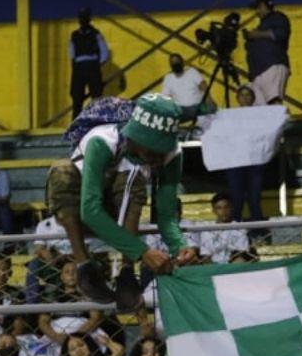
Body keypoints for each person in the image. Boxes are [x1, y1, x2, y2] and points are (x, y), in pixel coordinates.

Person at [52, 93, 198, 308]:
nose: (158, 155)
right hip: (83, 211)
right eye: (152, 147)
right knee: (60, 171)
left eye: (162, 148)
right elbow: (90, 211)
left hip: (121, 216)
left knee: (134, 176)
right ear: (136, 136)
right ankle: (84, 266)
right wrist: (143, 252)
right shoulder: (102, 141)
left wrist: (180, 246)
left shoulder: (172, 153)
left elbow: (166, 216)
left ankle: (127, 272)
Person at [226, 85, 269, 229]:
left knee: (254, 198)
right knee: (236, 199)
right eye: (242, 95)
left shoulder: (261, 116)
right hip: (235, 162)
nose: (245, 98)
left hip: (255, 162)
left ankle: (259, 233)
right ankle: (235, 234)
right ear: (237, 98)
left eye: (248, 95)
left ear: (253, 98)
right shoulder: (229, 116)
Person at [37, 258, 104, 345]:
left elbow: (95, 318)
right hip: (57, 332)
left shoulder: (88, 294)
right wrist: (56, 337)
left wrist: (77, 335)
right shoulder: (52, 295)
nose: (71, 274)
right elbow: (43, 322)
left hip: (82, 330)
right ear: (62, 277)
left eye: (74, 271)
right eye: (67, 272)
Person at [243, 0, 291, 106]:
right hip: (257, 71)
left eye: (258, 7)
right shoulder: (262, 25)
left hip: (272, 65)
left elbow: (280, 34)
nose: (257, 11)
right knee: (260, 110)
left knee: (274, 102)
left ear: (266, 5)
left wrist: (256, 35)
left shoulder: (277, 17)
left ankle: (282, 122)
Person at [25, 212, 76, 303]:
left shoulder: (79, 221)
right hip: (53, 262)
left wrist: (66, 256)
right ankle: (32, 303)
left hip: (74, 261)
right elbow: (38, 250)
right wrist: (45, 254)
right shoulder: (44, 224)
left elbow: (87, 248)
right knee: (34, 264)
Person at [69, 7, 110, 120]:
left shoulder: (91, 34)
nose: (82, 20)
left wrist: (95, 65)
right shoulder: (77, 35)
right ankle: (79, 124)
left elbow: (104, 53)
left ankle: (94, 122)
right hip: (86, 67)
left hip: (86, 66)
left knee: (94, 98)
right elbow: (104, 53)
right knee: (79, 99)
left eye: (84, 17)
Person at [191, 192, 252, 263]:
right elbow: (206, 255)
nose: (223, 211)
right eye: (219, 208)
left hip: (234, 265)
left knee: (240, 260)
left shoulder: (240, 228)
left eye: (226, 207)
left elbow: (241, 253)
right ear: (213, 211)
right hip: (213, 266)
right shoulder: (207, 229)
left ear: (231, 208)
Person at [161, 53, 209, 121]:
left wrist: (209, 99)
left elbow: (204, 86)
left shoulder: (192, 72)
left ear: (182, 62)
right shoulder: (168, 78)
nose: (175, 63)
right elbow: (165, 98)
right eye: (173, 62)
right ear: (170, 65)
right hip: (180, 110)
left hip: (196, 106)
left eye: (177, 61)